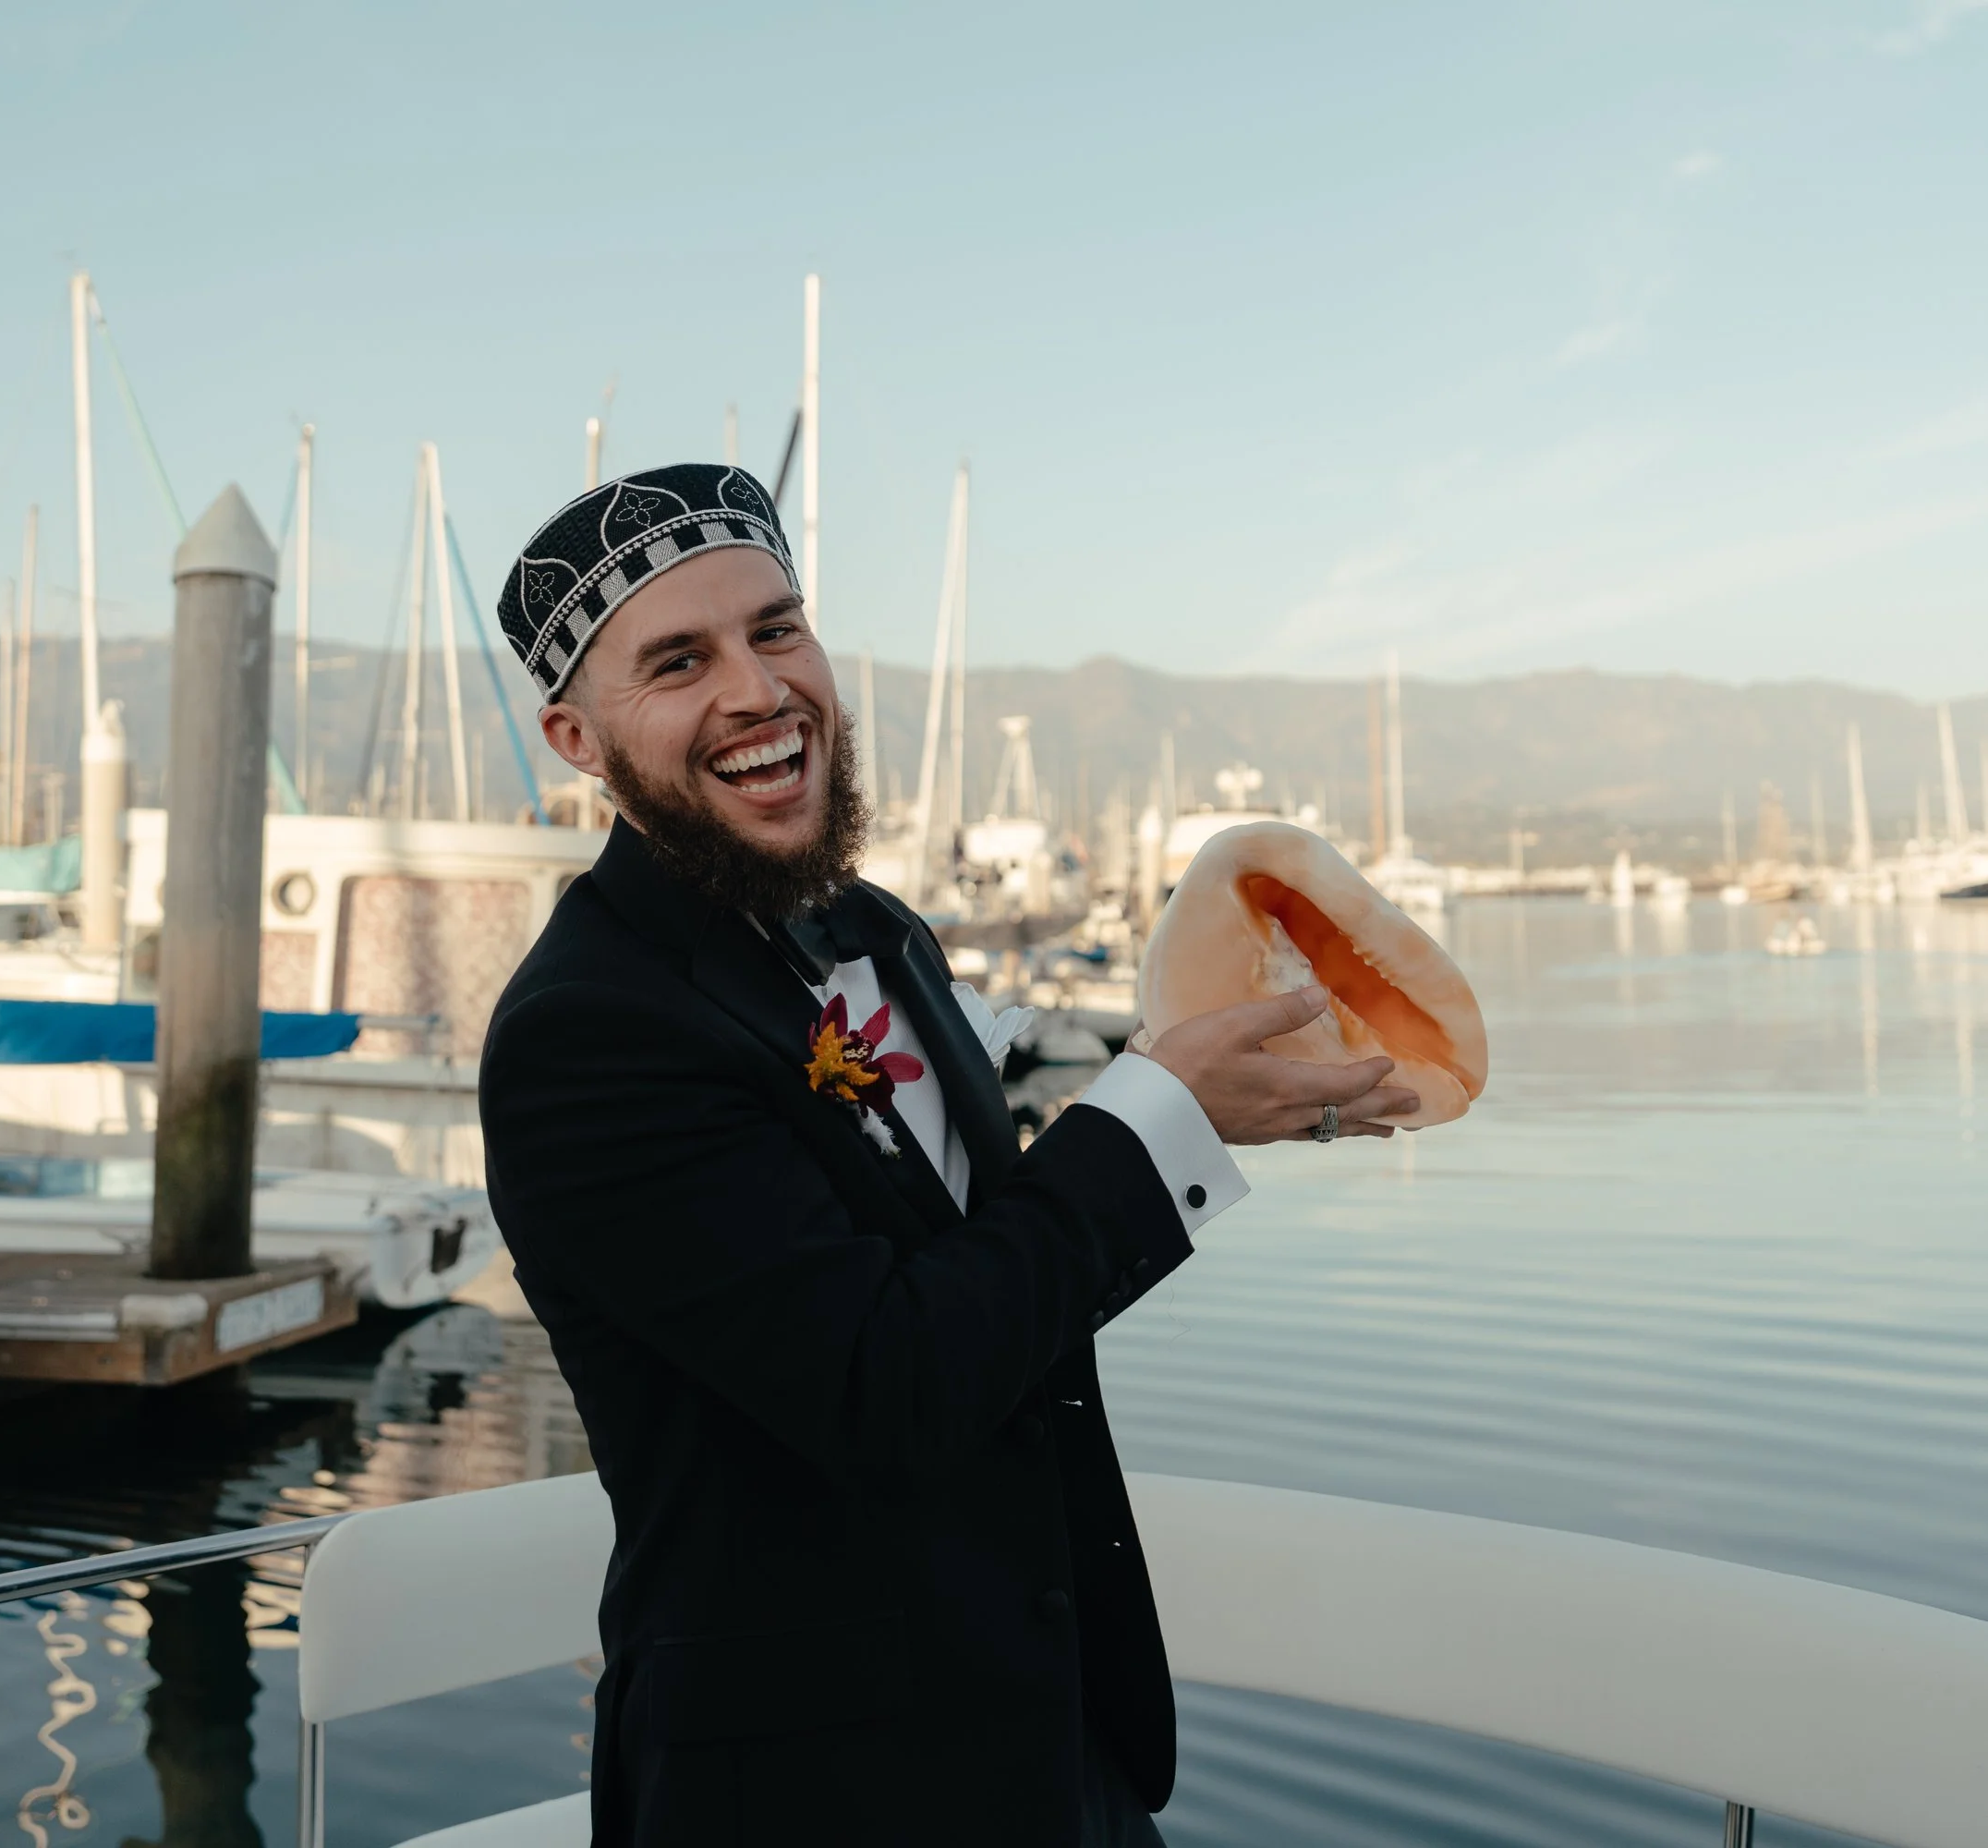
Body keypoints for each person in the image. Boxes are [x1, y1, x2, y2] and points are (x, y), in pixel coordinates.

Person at [480, 464, 1414, 1847]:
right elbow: (884, 1383)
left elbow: (989, 1286)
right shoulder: (590, 1033)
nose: (756, 688)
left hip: (1051, 1738)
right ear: (578, 737)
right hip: (811, 1787)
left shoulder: (883, 928)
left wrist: (1197, 1111)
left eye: (777, 629)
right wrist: (1153, 1120)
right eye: (680, 661)